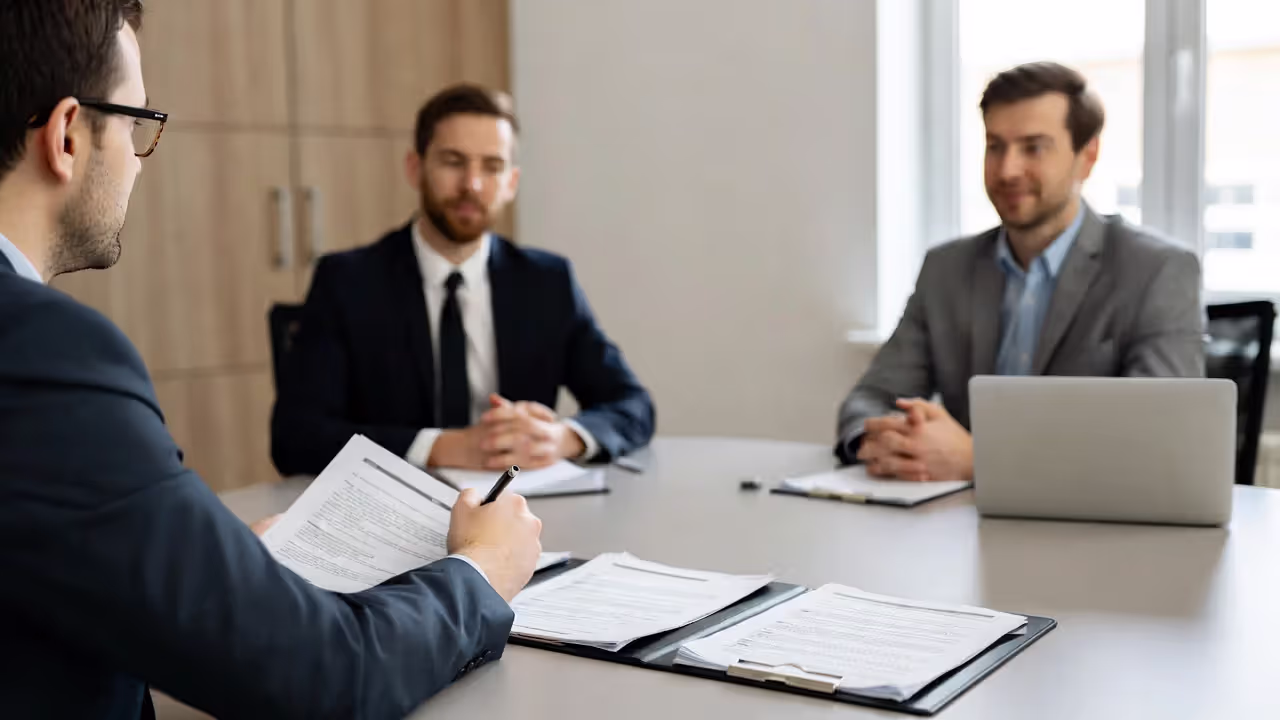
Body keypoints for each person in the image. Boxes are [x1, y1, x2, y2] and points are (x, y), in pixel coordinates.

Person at [0, 2, 542, 718]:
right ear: (68, 133)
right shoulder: (44, 350)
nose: (137, 158)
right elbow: (326, 675)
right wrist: (481, 571)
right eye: (136, 124)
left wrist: (200, 558)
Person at [836, 61, 1203, 483]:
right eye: (995, 146)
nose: (1007, 170)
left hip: (1095, 532)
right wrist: (884, 442)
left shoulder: (1157, 271)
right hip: (957, 525)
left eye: (1034, 147)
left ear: (1088, 156)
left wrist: (980, 460)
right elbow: (870, 398)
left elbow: (1156, 442)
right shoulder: (947, 269)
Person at [271, 84, 655, 476]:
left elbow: (633, 405)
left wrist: (562, 438)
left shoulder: (547, 282)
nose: (472, 184)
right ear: (415, 168)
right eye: (454, 161)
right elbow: (296, 437)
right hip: (388, 511)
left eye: (492, 166)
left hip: (519, 514)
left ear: (511, 183)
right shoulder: (348, 282)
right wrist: (442, 446)